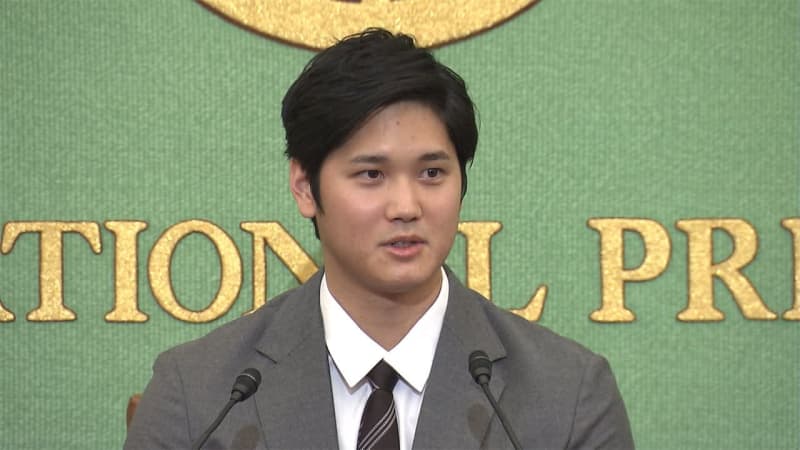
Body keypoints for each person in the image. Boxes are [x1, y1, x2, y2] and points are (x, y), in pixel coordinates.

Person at [125, 28, 634, 450]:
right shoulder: (199, 394)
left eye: (432, 173)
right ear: (305, 187)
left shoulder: (568, 395)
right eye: (371, 175)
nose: (406, 206)